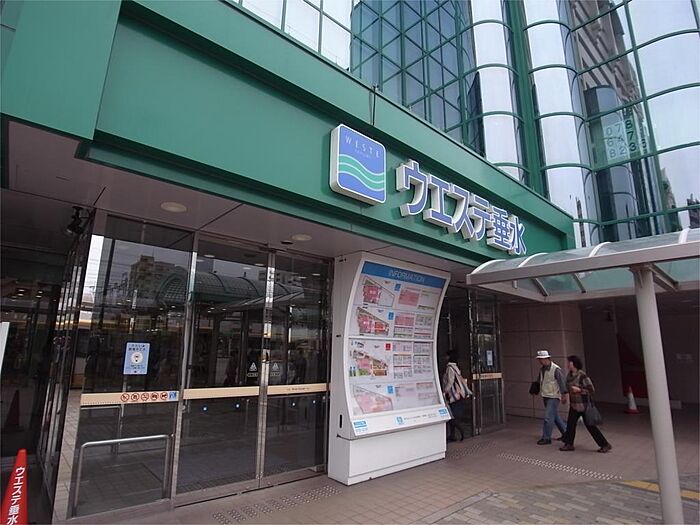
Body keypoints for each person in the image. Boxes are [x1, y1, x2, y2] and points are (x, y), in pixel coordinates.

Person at [559, 355, 612, 453]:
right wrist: (564, 396)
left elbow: (591, 390)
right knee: (571, 425)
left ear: (574, 363)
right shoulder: (569, 375)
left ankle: (605, 444)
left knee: (590, 426)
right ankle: (569, 444)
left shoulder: (582, 375)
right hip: (574, 405)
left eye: (569, 362)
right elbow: (567, 388)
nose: (568, 364)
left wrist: (580, 390)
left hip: (584, 406)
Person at [534, 349, 568, 445]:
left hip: (554, 396)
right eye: (539, 359)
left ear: (547, 359)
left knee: (548, 417)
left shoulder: (555, 369)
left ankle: (546, 437)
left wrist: (564, 395)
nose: (540, 361)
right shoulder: (542, 369)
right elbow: (540, 381)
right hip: (546, 395)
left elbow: (562, 382)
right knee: (555, 416)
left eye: (541, 359)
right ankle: (566, 433)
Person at [442, 353, 472, 442]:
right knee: (453, 415)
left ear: (449, 357)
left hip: (453, 395)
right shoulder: (456, 367)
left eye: (447, 355)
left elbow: (450, 381)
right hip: (458, 395)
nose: (445, 357)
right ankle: (452, 435)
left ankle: (459, 431)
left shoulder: (450, 368)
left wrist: (445, 391)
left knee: (452, 416)